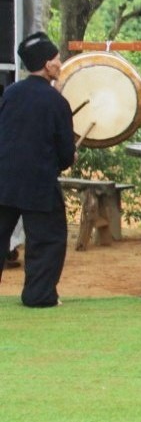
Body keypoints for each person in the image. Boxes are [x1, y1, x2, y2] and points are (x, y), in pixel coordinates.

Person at [0, 32, 74, 308]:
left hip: (4, 179)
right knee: (47, 239)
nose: (60, 63)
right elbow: (65, 153)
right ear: (47, 64)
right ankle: (39, 296)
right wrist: (69, 157)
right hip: (38, 182)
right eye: (56, 59)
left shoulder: (9, 94)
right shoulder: (56, 101)